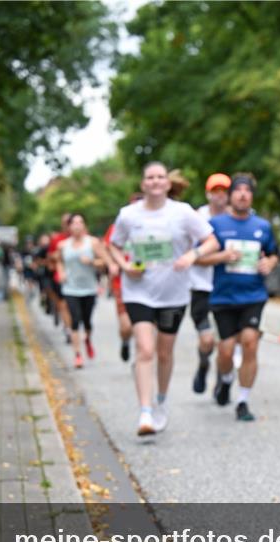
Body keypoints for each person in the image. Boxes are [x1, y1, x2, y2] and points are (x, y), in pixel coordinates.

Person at [108, 162, 219, 436]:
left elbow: (212, 241)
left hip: (174, 294)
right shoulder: (128, 215)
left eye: (160, 177)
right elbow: (112, 244)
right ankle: (145, 412)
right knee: (145, 349)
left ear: (168, 184)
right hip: (138, 291)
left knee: (164, 352)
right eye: (150, 177)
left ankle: (161, 401)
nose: (155, 181)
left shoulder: (182, 213)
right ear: (143, 183)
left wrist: (192, 255)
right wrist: (124, 266)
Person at [196, 173, 278, 422]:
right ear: (231, 196)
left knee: (251, 342)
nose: (243, 194)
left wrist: (269, 264)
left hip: (253, 294)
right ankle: (226, 378)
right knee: (226, 351)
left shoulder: (262, 226)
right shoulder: (216, 225)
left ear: (252, 196)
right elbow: (198, 257)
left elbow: (274, 254)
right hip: (223, 297)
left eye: (248, 191)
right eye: (238, 191)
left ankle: (243, 401)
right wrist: (221, 257)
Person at [191, 173, 231, 393]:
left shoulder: (239, 217)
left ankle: (220, 381)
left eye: (224, 191)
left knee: (225, 343)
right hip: (201, 288)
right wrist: (221, 257)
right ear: (208, 194)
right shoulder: (198, 218)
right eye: (216, 191)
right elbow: (191, 255)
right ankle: (203, 364)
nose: (220, 196)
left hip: (227, 288)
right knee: (207, 340)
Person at [55, 213, 111, 369]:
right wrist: (61, 272)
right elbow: (59, 261)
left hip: (89, 288)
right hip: (70, 288)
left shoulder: (92, 243)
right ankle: (78, 355)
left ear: (84, 225)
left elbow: (104, 262)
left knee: (87, 321)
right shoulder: (63, 245)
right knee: (75, 320)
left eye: (81, 222)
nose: (77, 225)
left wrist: (92, 261)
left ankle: (87, 339)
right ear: (69, 227)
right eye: (74, 223)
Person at [104, 193, 143, 363]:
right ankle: (126, 341)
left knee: (147, 327)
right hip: (123, 282)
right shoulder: (118, 226)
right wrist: (112, 264)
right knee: (127, 326)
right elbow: (107, 247)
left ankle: (142, 356)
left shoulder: (154, 227)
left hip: (149, 283)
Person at [46, 213, 73, 340]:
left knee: (73, 306)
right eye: (65, 222)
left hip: (79, 278)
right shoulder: (57, 239)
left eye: (69, 222)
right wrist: (56, 256)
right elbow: (50, 256)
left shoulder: (82, 238)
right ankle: (68, 329)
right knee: (64, 304)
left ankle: (73, 325)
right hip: (60, 277)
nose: (67, 225)